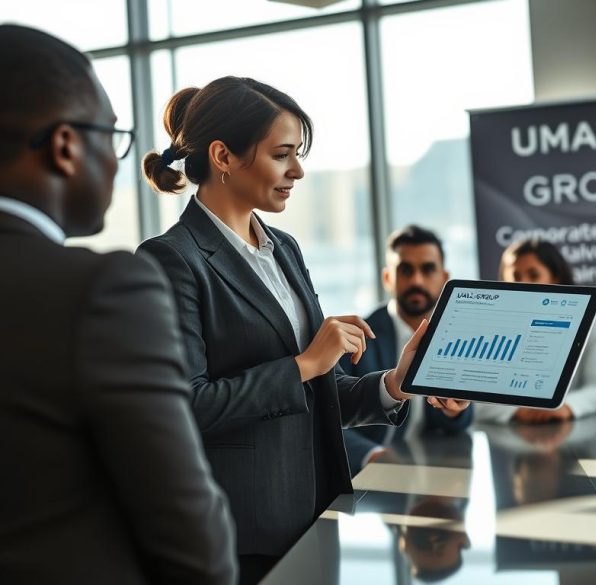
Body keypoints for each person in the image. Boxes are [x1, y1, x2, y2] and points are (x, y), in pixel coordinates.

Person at [138, 77, 467, 584]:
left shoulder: (284, 248)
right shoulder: (171, 259)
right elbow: (187, 407)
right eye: (282, 154)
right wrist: (306, 363)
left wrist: (394, 383)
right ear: (224, 156)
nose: (298, 170)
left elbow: (315, 396)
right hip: (240, 532)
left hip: (317, 510)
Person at [0, 25, 235, 584]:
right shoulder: (103, 289)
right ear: (64, 146)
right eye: (111, 136)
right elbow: (188, 535)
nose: (115, 160)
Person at [342, 225, 473, 471]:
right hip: (375, 479)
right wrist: (371, 456)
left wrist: (455, 412)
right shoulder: (358, 337)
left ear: (444, 278)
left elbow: (459, 421)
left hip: (437, 467)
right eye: (405, 270)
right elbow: (329, 417)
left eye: (428, 269)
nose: (416, 280)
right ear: (387, 278)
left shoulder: (456, 337)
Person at [474, 238, 596, 423]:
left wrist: (563, 407)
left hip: (572, 433)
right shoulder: (491, 326)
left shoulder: (594, 321)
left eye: (533, 275)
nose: (523, 284)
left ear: (555, 277)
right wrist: (517, 411)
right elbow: (475, 398)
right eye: (515, 276)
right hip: (511, 437)